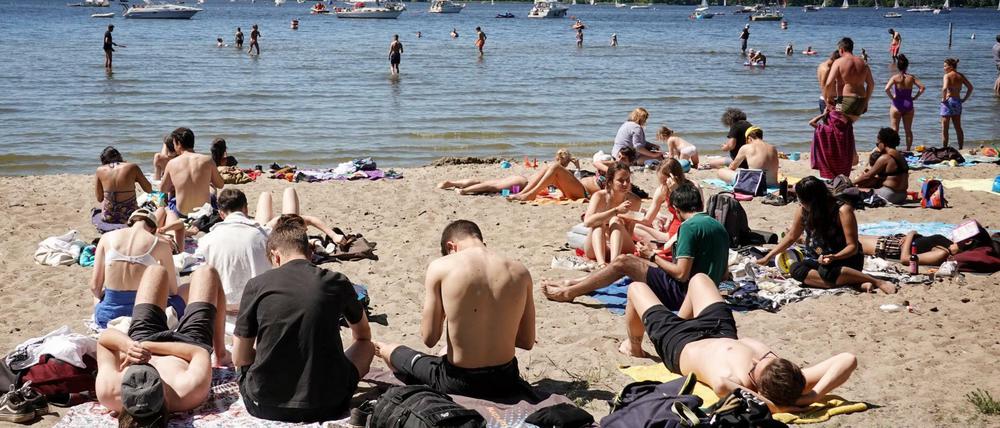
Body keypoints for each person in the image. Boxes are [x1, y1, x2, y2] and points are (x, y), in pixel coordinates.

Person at [621, 273, 858, 412]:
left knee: (636, 287)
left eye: (756, 367)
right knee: (699, 279)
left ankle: (634, 346)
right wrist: (813, 396)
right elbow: (848, 359)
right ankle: (681, 318)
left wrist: (775, 406)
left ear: (758, 387)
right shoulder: (793, 380)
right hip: (718, 328)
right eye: (767, 359)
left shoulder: (733, 380)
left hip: (679, 342)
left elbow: (722, 385)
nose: (757, 358)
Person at [373, 220, 536, 400]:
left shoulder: (442, 266)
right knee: (446, 350)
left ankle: (383, 349)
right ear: (483, 243)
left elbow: (429, 338)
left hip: (459, 382)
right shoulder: (520, 271)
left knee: (393, 350)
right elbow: (526, 342)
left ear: (451, 247)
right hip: (506, 380)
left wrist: (445, 309)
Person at [233, 217, 375, 422]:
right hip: (330, 403)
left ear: (276, 256)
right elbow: (363, 334)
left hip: (265, 405)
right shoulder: (336, 281)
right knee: (367, 345)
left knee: (248, 359)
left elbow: (240, 358)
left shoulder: (257, 285)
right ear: (310, 253)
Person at [543, 183, 728, 305]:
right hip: (708, 293)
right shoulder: (718, 226)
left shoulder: (689, 227)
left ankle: (570, 292)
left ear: (677, 210)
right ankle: (570, 283)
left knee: (623, 262)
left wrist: (652, 255)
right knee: (629, 260)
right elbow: (724, 272)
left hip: (684, 295)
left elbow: (681, 274)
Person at [95, 265, 230, 427]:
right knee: (207, 272)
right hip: (187, 345)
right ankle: (222, 354)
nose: (142, 378)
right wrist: (148, 346)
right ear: (165, 396)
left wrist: (128, 345)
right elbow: (199, 352)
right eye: (152, 382)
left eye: (133, 383)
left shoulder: (109, 392)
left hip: (141, 340)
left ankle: (178, 296)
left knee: (156, 270)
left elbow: (104, 340)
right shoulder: (188, 392)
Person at [196, 188, 354, 314]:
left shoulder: (205, 241)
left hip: (227, 309)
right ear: (246, 209)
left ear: (221, 214)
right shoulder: (265, 235)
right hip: (260, 304)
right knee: (281, 194)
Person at [757, 176, 896, 294]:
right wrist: (768, 257)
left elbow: (852, 246)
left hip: (845, 261)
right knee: (795, 269)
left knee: (827, 272)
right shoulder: (802, 211)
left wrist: (834, 257)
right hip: (818, 259)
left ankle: (874, 280)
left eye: (801, 200)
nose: (799, 203)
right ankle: (855, 284)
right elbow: (791, 237)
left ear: (811, 201)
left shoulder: (842, 210)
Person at [90, 209, 184, 329]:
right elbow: (173, 290)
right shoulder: (159, 243)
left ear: (131, 222)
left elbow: (94, 287)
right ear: (153, 229)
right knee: (185, 291)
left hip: (107, 317)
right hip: (143, 317)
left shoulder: (106, 237)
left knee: (99, 294)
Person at [159, 127, 225, 248]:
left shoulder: (172, 163)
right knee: (212, 189)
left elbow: (163, 189)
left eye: (174, 143)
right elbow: (220, 184)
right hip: (204, 212)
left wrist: (175, 185)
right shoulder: (207, 160)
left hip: (181, 212)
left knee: (168, 201)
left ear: (178, 144)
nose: (174, 147)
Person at [581, 163, 642, 266]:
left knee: (615, 221)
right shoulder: (599, 197)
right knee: (598, 223)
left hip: (621, 246)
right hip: (598, 246)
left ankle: (614, 263)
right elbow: (587, 222)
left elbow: (630, 230)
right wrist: (616, 211)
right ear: (610, 182)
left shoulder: (635, 201)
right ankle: (602, 264)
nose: (625, 184)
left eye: (628, 180)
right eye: (621, 180)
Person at [633, 159, 703, 248]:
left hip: (686, 232)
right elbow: (648, 220)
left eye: (664, 181)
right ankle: (662, 247)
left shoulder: (693, 188)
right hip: (670, 233)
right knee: (634, 227)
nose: (663, 184)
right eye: (661, 181)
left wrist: (676, 191)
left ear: (674, 177)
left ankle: (662, 249)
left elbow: (697, 216)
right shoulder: (663, 190)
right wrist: (630, 216)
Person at [96, 146, 152, 227]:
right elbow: (149, 189)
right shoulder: (132, 167)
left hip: (108, 216)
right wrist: (134, 178)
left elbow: (99, 198)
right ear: (120, 156)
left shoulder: (100, 170)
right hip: (129, 216)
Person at [852, 128, 909, 204]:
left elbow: (867, 176)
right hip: (903, 194)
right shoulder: (900, 156)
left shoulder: (885, 157)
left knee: (852, 190)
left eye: (877, 144)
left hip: (890, 195)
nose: (877, 146)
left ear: (883, 143)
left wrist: (850, 183)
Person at [825, 37, 875, 122]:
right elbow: (871, 84)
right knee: (849, 129)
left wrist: (829, 99)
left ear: (841, 50)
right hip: (861, 100)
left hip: (847, 100)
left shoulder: (839, 62)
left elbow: (829, 83)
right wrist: (866, 101)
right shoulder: (863, 62)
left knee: (839, 129)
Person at [884, 54, 925, 151]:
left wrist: (892, 97)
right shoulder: (911, 78)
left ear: (898, 66)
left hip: (896, 105)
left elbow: (886, 89)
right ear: (907, 66)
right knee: (908, 130)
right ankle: (908, 149)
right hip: (908, 104)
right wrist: (915, 97)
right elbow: (922, 88)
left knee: (894, 130)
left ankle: (893, 149)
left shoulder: (895, 77)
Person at [940, 58, 973, 149]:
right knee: (958, 127)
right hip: (957, 101)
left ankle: (945, 148)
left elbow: (944, 88)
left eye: (945, 66)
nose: (944, 68)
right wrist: (964, 99)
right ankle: (961, 148)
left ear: (950, 67)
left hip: (948, 102)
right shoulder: (960, 76)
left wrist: (943, 99)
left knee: (945, 128)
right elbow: (970, 87)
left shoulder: (947, 76)